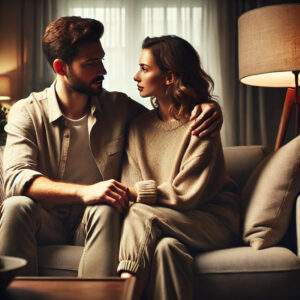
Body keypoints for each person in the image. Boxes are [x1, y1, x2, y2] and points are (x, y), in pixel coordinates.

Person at [0, 17, 222, 276]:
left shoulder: (119, 107)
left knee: (104, 206)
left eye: (101, 59)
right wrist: (84, 192)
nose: (102, 70)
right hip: (45, 220)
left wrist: (209, 107)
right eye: (91, 63)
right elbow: (16, 178)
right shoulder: (27, 112)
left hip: (96, 221)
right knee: (16, 205)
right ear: (61, 67)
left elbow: (170, 118)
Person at [117, 35, 240, 299]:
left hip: (212, 220)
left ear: (170, 77)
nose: (136, 76)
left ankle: (123, 294)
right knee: (167, 250)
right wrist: (136, 195)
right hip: (168, 224)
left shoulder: (201, 120)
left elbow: (187, 193)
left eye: (145, 69)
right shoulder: (138, 127)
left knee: (141, 214)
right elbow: (131, 187)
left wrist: (138, 194)